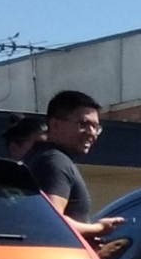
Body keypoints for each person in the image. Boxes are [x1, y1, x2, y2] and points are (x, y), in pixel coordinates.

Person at [24, 90, 116, 244]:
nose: (91, 133)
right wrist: (98, 228)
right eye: (84, 124)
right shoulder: (55, 161)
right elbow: (51, 221)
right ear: (55, 124)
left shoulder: (37, 157)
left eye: (96, 127)